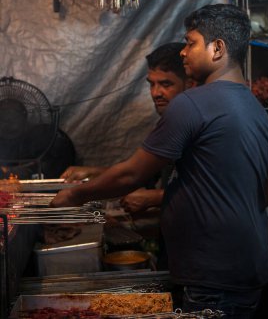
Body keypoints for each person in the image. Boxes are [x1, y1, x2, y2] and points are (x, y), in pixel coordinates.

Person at [51, 4, 268, 318]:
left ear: (217, 48)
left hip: (214, 275)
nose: (184, 52)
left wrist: (75, 195)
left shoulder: (192, 104)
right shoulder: (257, 112)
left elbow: (130, 174)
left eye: (190, 42)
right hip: (247, 269)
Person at [61, 42, 190, 214]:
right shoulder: (170, 121)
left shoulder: (193, 122)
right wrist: (95, 173)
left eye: (166, 84)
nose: (155, 93)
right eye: (152, 84)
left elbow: (213, 192)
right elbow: (145, 172)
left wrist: (155, 197)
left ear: (189, 84)